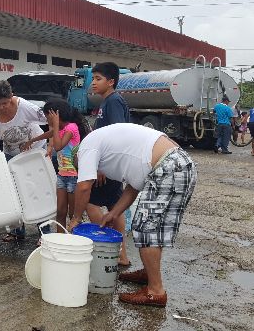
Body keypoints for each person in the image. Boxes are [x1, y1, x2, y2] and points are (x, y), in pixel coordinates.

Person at [69, 123, 197, 307]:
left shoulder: (88, 145)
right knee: (155, 228)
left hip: (169, 166)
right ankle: (149, 273)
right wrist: (114, 212)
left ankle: (155, 291)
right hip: (179, 164)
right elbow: (133, 187)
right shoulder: (112, 149)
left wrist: (75, 218)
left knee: (146, 227)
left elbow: (83, 186)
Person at [0, 80, 49, 241]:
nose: (2, 107)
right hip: (11, 152)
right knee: (13, 193)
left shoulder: (25, 106)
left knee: (34, 191)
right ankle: (17, 231)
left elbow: (50, 119)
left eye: (5, 103)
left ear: (12, 96)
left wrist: (51, 144)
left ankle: (45, 233)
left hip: (33, 152)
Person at [88, 62, 132, 266]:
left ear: (111, 81)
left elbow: (118, 134)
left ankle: (109, 247)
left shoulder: (113, 101)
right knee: (115, 206)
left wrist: (103, 166)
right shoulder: (107, 102)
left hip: (109, 167)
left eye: (98, 78)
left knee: (92, 203)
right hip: (112, 166)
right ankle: (120, 255)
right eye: (93, 78)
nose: (93, 83)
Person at [24, 99, 89, 233]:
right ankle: (60, 239)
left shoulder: (71, 127)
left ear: (57, 115)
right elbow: (49, 134)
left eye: (49, 117)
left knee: (73, 214)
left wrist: (54, 125)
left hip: (74, 177)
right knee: (60, 212)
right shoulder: (61, 128)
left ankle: (73, 241)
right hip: (62, 176)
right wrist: (31, 140)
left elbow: (58, 146)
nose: (47, 121)